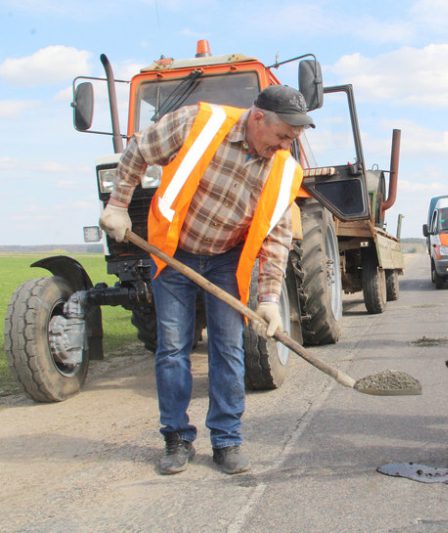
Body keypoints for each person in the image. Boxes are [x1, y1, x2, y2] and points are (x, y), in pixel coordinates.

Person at [99, 85, 314, 475]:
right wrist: (117, 205)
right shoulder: (199, 121)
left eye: (293, 139)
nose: (285, 145)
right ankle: (177, 438)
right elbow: (138, 151)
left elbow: (278, 239)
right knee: (172, 348)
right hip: (174, 250)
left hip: (227, 261)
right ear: (258, 117)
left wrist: (267, 299)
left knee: (228, 350)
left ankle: (227, 440)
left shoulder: (285, 170)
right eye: (283, 135)